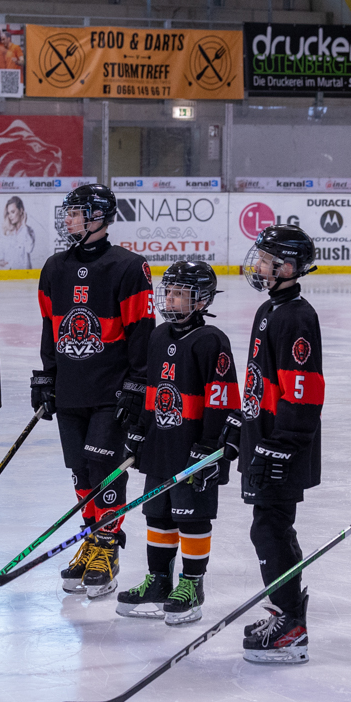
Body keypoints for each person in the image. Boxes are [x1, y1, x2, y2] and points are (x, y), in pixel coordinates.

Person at [33, 184, 154, 600]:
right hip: (71, 388)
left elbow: (142, 331)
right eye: (67, 212)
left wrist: (138, 385)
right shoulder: (54, 267)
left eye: (76, 212)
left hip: (111, 391)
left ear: (98, 216)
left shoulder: (128, 266)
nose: (67, 218)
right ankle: (91, 538)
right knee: (80, 472)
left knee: (105, 468)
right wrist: (47, 376)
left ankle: (107, 546)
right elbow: (50, 327)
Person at [115, 260, 237, 625]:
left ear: (201, 301)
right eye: (168, 291)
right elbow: (152, 391)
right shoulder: (158, 336)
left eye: (180, 294)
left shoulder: (211, 340)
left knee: (191, 516)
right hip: (160, 443)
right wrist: (139, 432)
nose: (170, 299)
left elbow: (222, 399)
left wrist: (210, 446)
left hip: (193, 448)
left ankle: (192, 585)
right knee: (158, 514)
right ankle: (158, 582)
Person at [235, 225, 326, 664]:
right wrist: (242, 428)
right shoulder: (271, 309)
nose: (258, 265)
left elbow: (304, 391)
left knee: (270, 528)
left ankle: (291, 623)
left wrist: (283, 445)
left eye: (266, 259)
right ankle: (286, 614)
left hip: (281, 445)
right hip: (264, 438)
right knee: (270, 527)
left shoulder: (297, 317)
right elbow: (261, 382)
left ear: (287, 267)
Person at [0, 195, 36, 270]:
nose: (10, 216)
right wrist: (1, 261)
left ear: (21, 211)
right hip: (9, 273)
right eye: (9, 213)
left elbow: (29, 249)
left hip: (25, 274)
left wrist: (24, 226)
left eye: (13, 212)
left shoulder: (28, 231)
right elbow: (0, 255)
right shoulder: (6, 232)